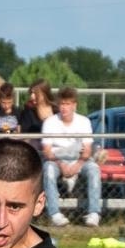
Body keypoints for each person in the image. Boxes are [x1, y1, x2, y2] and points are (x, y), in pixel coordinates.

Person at [41, 86, 101, 228]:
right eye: (62, 104)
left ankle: (94, 213)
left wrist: (76, 166)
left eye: (67, 104)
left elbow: (87, 151)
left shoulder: (84, 121)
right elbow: (47, 151)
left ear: (74, 105)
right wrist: (62, 165)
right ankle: (54, 213)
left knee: (94, 169)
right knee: (48, 170)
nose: (64, 108)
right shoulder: (50, 122)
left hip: (79, 160)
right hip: (56, 160)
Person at [17, 78, 55, 153]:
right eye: (31, 93)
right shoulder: (28, 111)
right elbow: (24, 135)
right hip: (34, 149)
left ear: (44, 94)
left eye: (35, 93)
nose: (32, 96)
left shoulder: (56, 110)